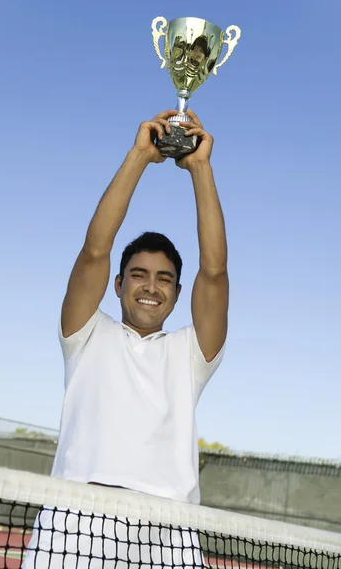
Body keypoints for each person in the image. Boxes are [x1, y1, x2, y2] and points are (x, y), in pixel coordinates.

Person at [22, 109, 229, 568]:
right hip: (75, 523)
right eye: (138, 275)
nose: (150, 287)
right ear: (118, 284)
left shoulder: (189, 355)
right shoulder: (85, 333)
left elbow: (214, 273)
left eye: (163, 279)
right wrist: (139, 156)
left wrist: (200, 169)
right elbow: (95, 249)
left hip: (168, 533)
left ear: (177, 293)